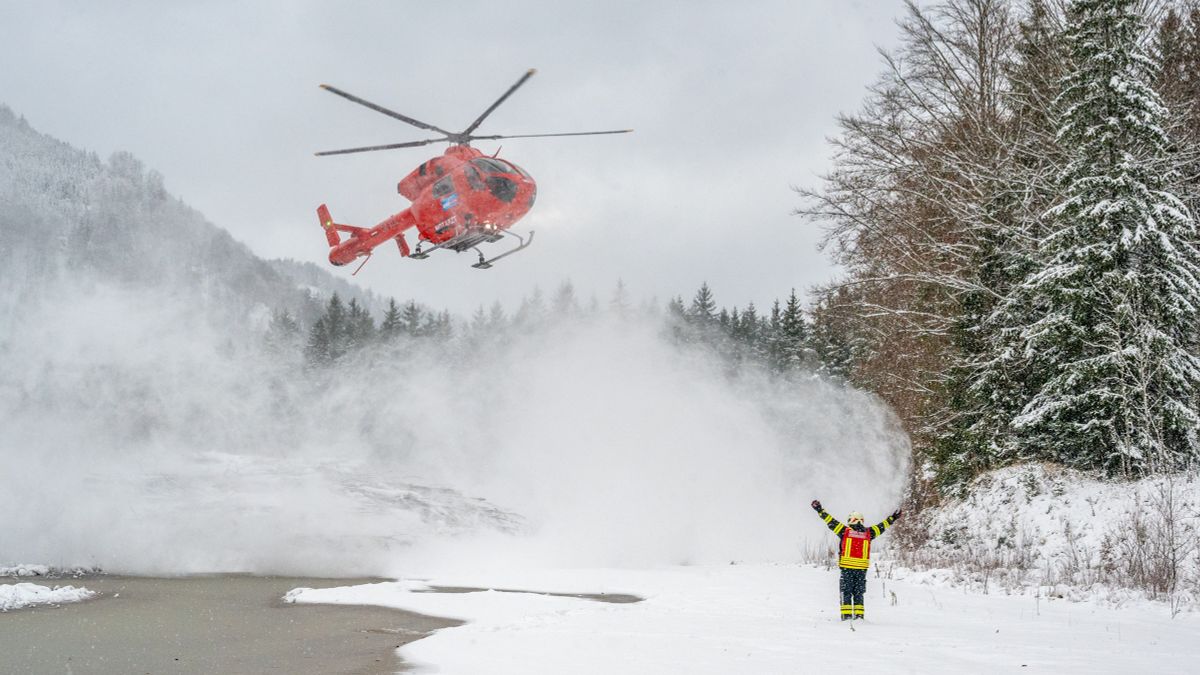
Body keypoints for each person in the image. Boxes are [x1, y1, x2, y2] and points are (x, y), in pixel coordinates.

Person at [811, 499, 902, 621]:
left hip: (847, 569)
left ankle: (847, 617)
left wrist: (819, 510)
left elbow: (829, 520)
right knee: (859, 593)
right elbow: (883, 525)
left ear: (850, 520)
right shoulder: (869, 533)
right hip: (861, 571)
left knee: (846, 592)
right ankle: (859, 617)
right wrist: (893, 517)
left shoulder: (844, 531)